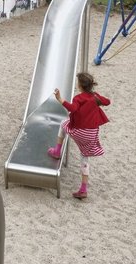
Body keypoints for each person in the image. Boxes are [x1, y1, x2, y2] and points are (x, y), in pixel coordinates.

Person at [47, 71, 111, 199]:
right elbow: (107, 102)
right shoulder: (95, 96)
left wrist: (60, 99)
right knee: (84, 158)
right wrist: (97, 97)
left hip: (80, 131)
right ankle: (83, 189)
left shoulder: (78, 98)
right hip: (92, 133)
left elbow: (73, 109)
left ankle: (57, 151)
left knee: (63, 124)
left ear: (80, 86)